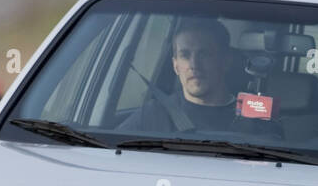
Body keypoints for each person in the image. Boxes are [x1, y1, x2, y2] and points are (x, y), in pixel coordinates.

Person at [119, 18, 281, 138]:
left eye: (204, 54)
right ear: (175, 65)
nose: (193, 64)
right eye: (185, 55)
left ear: (225, 61)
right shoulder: (153, 115)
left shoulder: (256, 118)